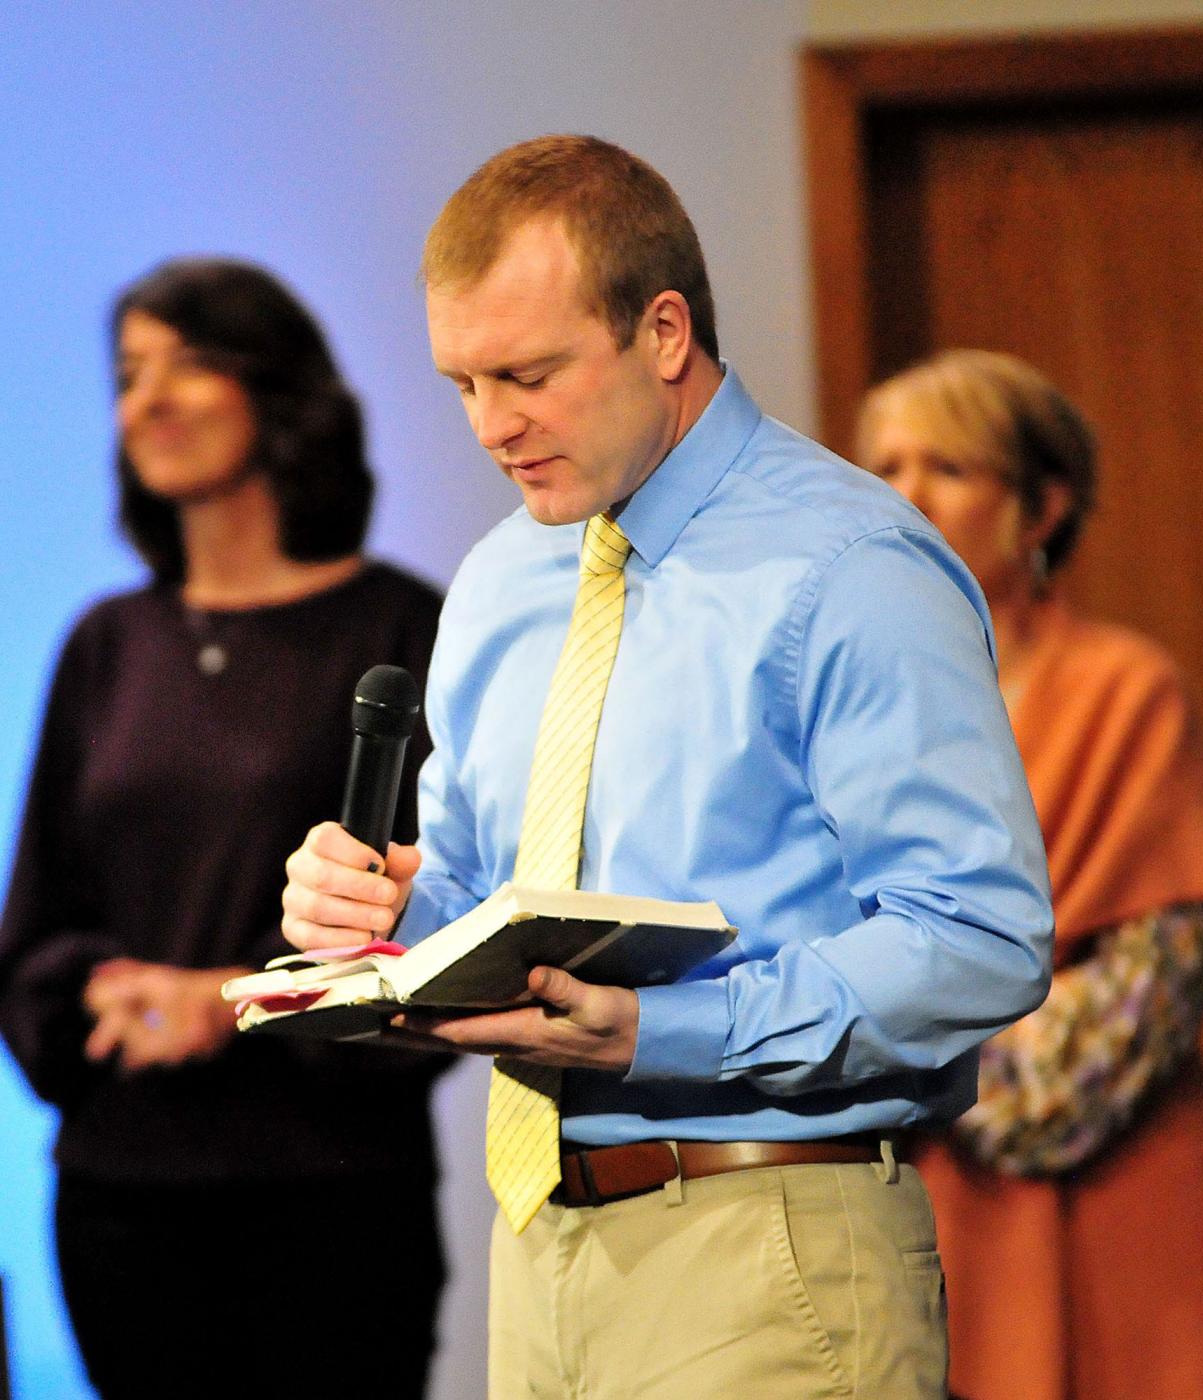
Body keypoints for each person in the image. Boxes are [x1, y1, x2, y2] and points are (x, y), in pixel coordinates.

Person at [280, 136, 1055, 1399]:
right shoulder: (499, 579)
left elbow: (980, 935)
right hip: (540, 1251)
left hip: (774, 1237)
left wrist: (660, 1030)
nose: (491, 426)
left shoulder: (850, 565)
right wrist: (382, 919)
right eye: (461, 384)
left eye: (527, 373)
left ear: (663, 329)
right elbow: (486, 895)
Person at [0, 258, 449, 1398]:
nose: (144, 400)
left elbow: (439, 928)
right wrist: (95, 986)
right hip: (121, 1199)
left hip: (332, 1195)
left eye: (186, 364)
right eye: (126, 375)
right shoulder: (107, 641)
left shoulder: (398, 626)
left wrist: (233, 1001)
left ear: (279, 392)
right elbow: (37, 919)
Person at [855, 347, 1203, 1400]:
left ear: (1042, 508)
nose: (906, 491)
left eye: (949, 465)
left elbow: (1119, 1025)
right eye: (883, 463)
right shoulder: (851, 707)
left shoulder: (1127, 690)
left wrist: (874, 1037)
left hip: (1118, 1223)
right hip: (921, 1225)